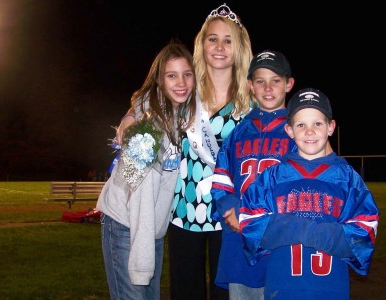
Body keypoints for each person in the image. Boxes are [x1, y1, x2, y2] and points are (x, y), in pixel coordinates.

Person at [114, 4, 253, 299]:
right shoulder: (187, 91)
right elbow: (150, 97)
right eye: (212, 38)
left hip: (228, 215)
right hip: (183, 213)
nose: (219, 47)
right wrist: (129, 115)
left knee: (224, 294)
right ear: (201, 44)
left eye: (228, 40)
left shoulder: (249, 104)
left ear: (239, 48)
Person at [239, 88, 380, 300]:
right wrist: (305, 229)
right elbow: (250, 224)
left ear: (331, 127)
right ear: (289, 130)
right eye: (301, 125)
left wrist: (310, 233)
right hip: (282, 289)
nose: (309, 131)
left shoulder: (347, 179)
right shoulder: (274, 177)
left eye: (318, 123)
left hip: (331, 290)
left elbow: (365, 233)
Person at [96, 40, 196, 300]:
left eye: (187, 75)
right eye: (171, 76)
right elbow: (137, 191)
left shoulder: (181, 116)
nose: (181, 83)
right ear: (159, 81)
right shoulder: (148, 129)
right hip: (125, 223)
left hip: (151, 229)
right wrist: (142, 264)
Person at [210, 50, 297, 299]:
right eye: (260, 81)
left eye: (276, 80)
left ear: (289, 84)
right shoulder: (238, 133)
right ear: (250, 86)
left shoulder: (296, 131)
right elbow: (221, 177)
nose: (268, 88)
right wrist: (230, 209)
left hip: (277, 242)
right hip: (240, 241)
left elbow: (300, 183)